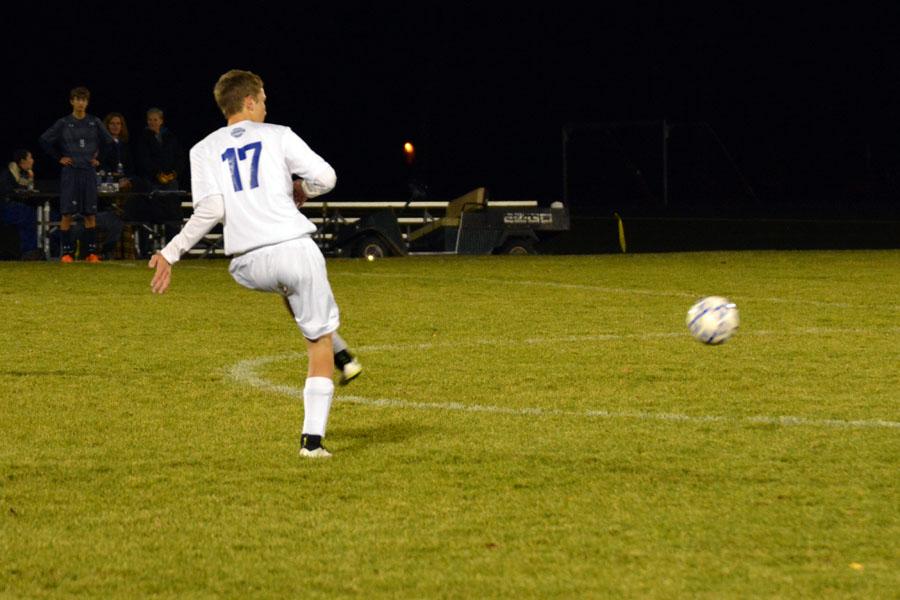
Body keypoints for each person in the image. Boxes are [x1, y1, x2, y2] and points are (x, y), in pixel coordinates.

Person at [149, 69, 345, 458]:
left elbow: (212, 208)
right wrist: (302, 188)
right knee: (317, 342)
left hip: (246, 264)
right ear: (251, 101)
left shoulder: (203, 148)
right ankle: (312, 442)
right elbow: (327, 177)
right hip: (292, 248)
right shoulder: (278, 134)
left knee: (289, 290)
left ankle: (336, 342)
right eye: (264, 99)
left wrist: (170, 253)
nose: (267, 105)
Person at [39, 86, 114, 263]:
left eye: (83, 100)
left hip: (88, 171)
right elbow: (44, 140)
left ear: (87, 102)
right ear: (71, 101)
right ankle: (67, 253)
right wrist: (59, 157)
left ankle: (91, 253)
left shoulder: (94, 122)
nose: (80, 103)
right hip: (70, 172)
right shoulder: (64, 123)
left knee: (90, 213)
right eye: (77, 99)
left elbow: (109, 142)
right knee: (67, 213)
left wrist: (99, 159)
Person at [0, 149, 41, 260]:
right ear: (23, 160)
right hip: (5, 207)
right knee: (29, 215)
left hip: (12, 206)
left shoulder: (22, 174)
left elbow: (26, 188)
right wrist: (20, 192)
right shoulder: (9, 173)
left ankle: (33, 251)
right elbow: (6, 191)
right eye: (30, 158)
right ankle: (29, 252)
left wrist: (30, 177)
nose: (32, 160)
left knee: (35, 213)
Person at [100, 112, 136, 191]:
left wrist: (126, 178)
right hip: (107, 179)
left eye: (118, 123)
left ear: (121, 126)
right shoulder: (102, 144)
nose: (115, 126)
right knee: (104, 188)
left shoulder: (125, 145)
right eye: (112, 124)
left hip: (123, 179)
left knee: (140, 184)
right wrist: (112, 174)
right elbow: (101, 164)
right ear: (107, 126)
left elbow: (130, 166)